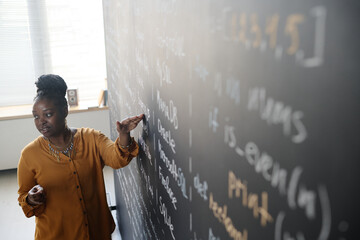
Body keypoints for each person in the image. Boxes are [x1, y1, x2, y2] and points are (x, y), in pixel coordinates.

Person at [17, 74, 144, 240]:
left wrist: (124, 135)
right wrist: (32, 199)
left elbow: (117, 158)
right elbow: (23, 197)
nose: (41, 122)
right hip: (55, 235)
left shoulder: (91, 138)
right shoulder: (29, 154)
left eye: (47, 115)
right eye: (36, 116)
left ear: (65, 110)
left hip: (97, 232)